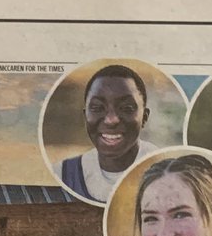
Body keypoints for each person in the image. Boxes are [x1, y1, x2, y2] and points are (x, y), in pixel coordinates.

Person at [53, 64, 158, 203]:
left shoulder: (169, 169)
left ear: (144, 117)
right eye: (97, 108)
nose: (111, 120)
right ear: (86, 117)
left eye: (126, 108)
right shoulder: (63, 173)